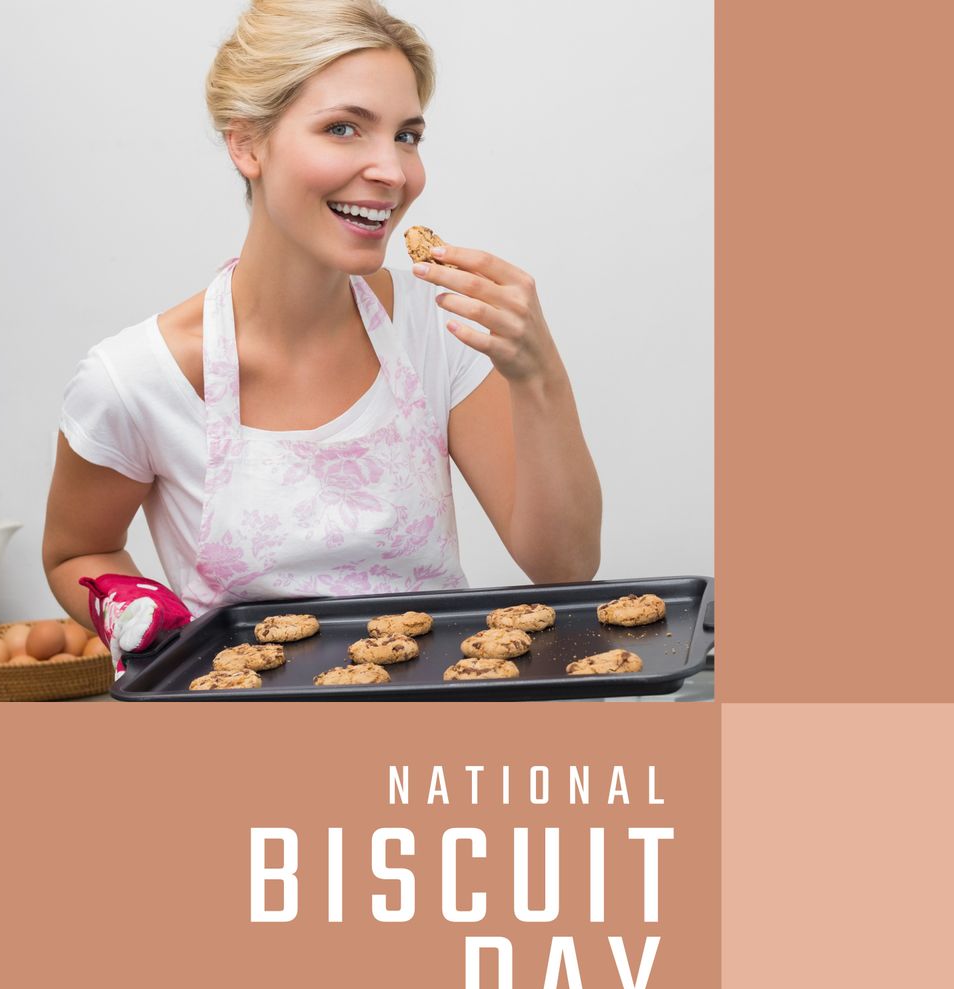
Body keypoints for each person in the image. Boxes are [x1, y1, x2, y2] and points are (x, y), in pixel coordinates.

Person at [43, 0, 601, 667]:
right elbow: (77, 550)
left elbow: (563, 567)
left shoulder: (439, 326)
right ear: (247, 143)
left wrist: (540, 377)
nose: (393, 172)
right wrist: (145, 615)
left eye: (407, 135)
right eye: (343, 128)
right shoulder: (137, 378)